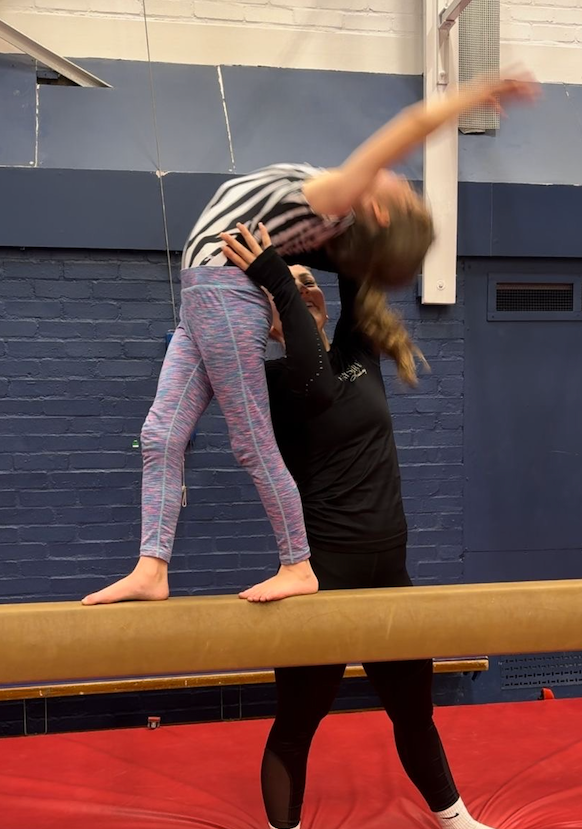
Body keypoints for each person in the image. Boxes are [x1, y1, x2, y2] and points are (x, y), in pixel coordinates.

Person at [82, 72, 538, 608]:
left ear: (379, 209)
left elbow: (413, 123)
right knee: (160, 433)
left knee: (250, 441)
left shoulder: (338, 200)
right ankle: (151, 567)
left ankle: (297, 563)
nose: (396, 177)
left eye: (405, 193)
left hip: (225, 294)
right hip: (204, 295)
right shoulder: (331, 221)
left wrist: (471, 94)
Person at [221, 224, 530, 829]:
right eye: (287, 289)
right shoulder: (276, 382)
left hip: (390, 573)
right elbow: (309, 370)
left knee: (416, 713)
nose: (303, 292)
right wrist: (276, 275)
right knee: (299, 720)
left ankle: (456, 826)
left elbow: (353, 279)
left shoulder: (358, 355)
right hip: (324, 575)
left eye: (310, 287)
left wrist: (330, 231)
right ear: (267, 313)